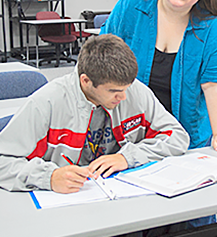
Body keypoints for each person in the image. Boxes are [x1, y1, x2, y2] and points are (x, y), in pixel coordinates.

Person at [100, 0, 217, 231]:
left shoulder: (214, 29)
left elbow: (214, 86)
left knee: (184, 217)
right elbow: (104, 52)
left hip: (186, 135)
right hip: (129, 132)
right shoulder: (135, 2)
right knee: (128, 211)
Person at [0, 34, 189, 193]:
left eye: (126, 88)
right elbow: (3, 162)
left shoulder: (134, 91)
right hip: (67, 201)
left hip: (120, 194)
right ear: (85, 81)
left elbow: (177, 137)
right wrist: (48, 177)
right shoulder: (46, 103)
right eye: (113, 91)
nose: (123, 97)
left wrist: (127, 157)